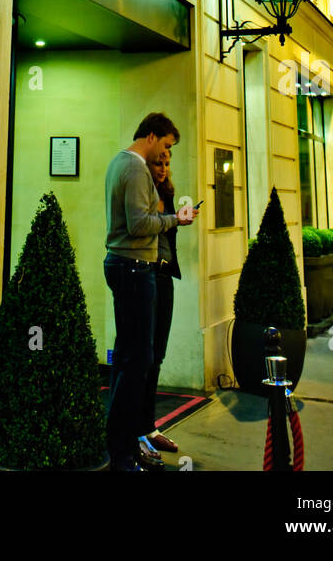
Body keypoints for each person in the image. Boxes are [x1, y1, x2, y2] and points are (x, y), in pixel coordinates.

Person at [104, 113, 199, 472]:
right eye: (167, 145)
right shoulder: (134, 168)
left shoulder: (122, 164)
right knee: (136, 362)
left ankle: (125, 444)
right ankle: (122, 451)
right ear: (152, 136)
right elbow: (139, 224)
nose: (166, 155)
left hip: (131, 267)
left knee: (134, 359)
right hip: (133, 267)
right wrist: (177, 219)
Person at [137, 147, 182, 466]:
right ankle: (134, 434)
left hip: (164, 275)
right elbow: (141, 226)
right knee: (142, 355)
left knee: (158, 355)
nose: (164, 168)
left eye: (167, 163)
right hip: (144, 274)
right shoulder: (140, 191)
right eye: (158, 163)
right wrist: (172, 219)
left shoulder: (167, 191)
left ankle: (148, 427)